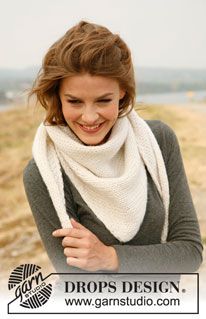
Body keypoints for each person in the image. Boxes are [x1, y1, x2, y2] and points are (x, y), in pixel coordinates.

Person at [23, 20, 203, 275]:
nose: (89, 117)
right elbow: (76, 278)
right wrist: (156, 259)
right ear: (57, 98)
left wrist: (110, 257)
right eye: (74, 101)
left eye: (103, 100)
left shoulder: (159, 141)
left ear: (122, 93)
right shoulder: (44, 172)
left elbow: (190, 253)